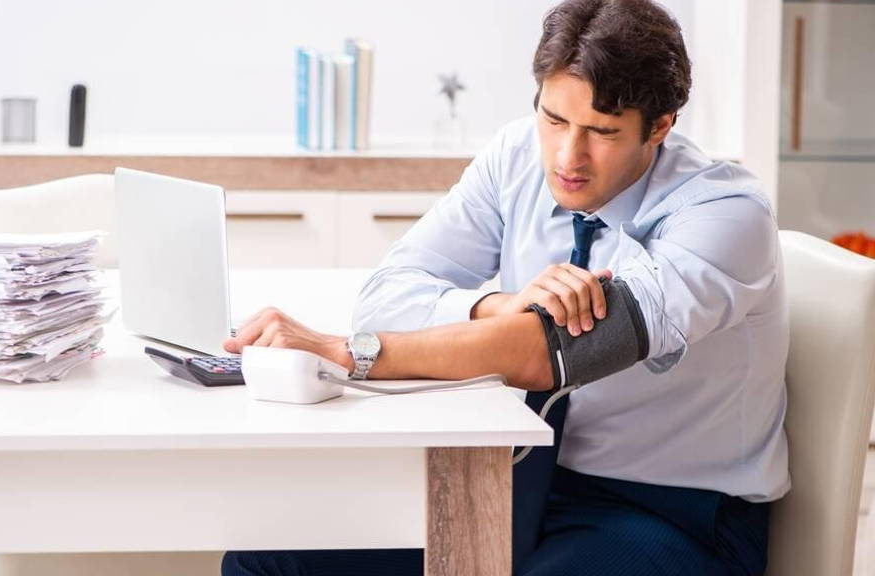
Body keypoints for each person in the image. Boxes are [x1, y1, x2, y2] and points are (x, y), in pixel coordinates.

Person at [220, 0, 788, 574]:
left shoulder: (724, 212)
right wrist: (502, 308)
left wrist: (349, 354)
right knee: (267, 561)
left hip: (671, 509)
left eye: (601, 132)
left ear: (660, 127)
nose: (569, 157)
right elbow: (387, 292)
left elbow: (559, 352)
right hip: (514, 475)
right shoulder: (516, 156)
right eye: (554, 118)